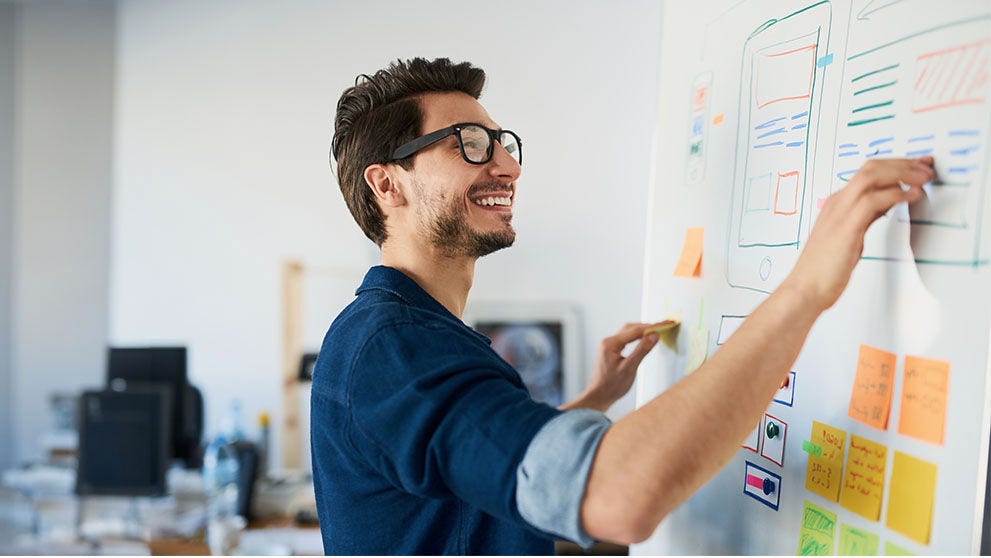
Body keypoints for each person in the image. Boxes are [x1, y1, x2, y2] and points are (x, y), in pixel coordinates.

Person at [310, 57, 935, 555]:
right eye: (469, 143)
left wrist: (593, 402)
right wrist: (807, 288)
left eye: (502, 143)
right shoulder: (395, 348)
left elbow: (483, 484)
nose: (506, 166)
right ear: (387, 183)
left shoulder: (406, 331)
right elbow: (615, 499)